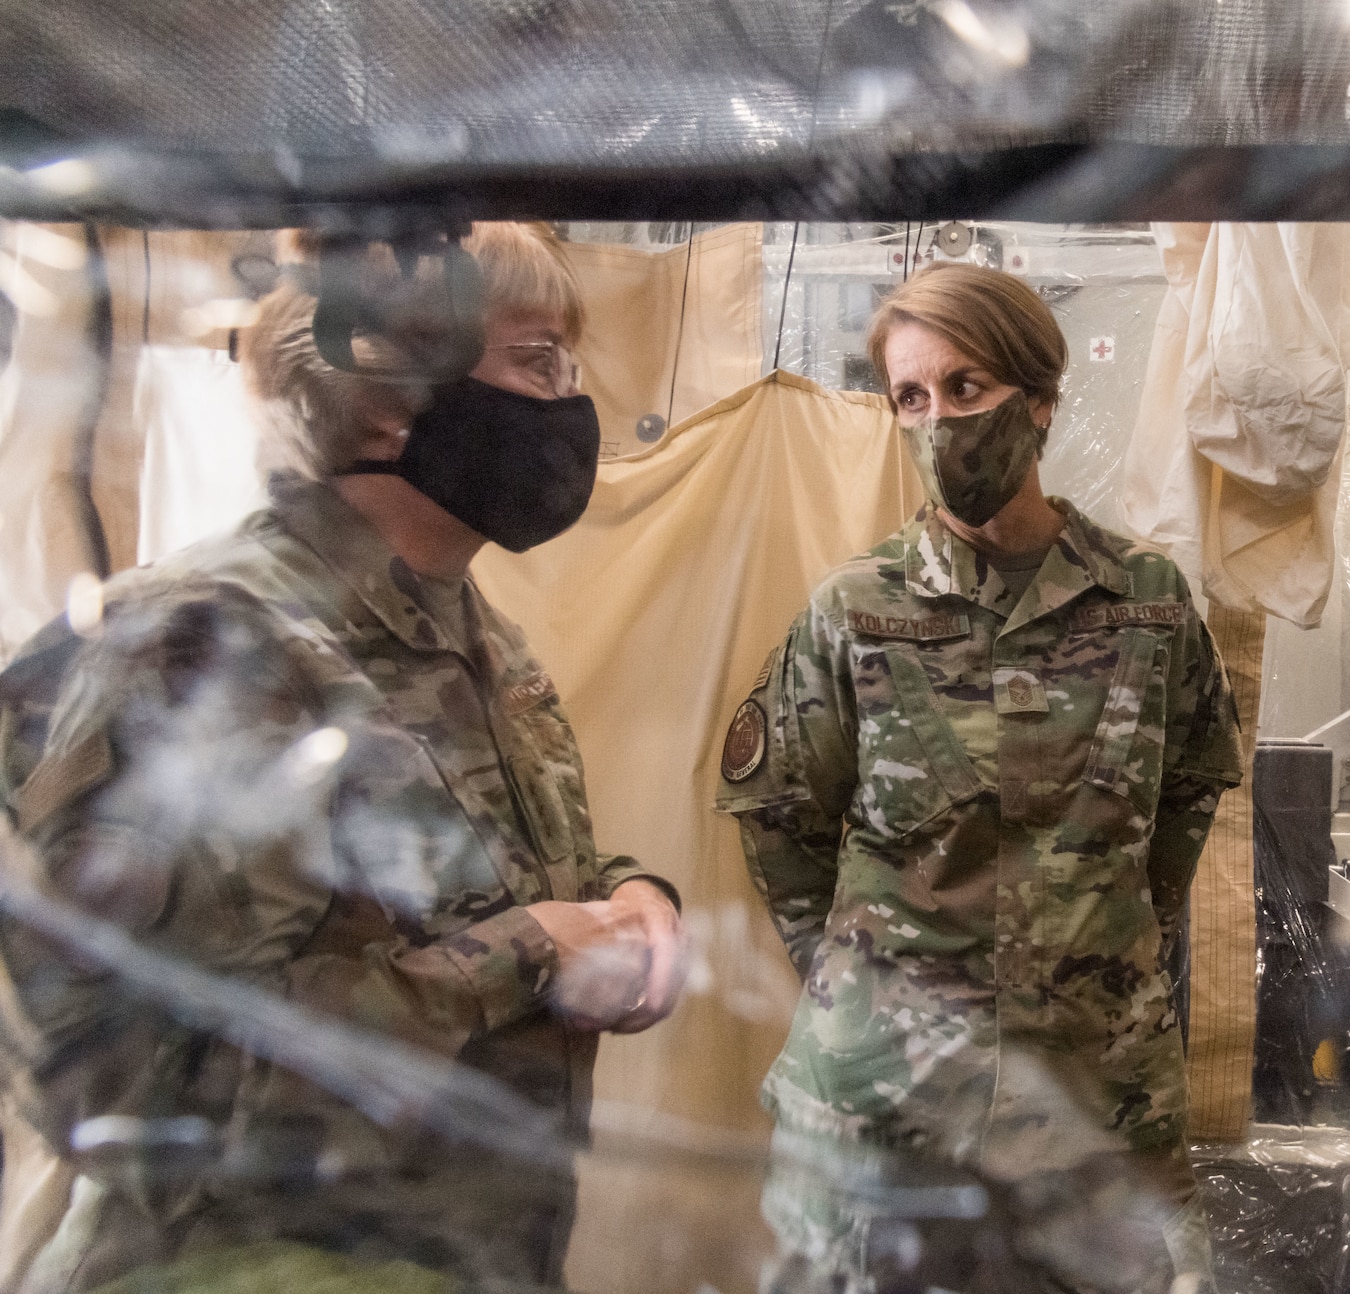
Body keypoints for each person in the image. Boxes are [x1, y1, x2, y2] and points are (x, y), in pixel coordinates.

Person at [0, 223, 684, 1291]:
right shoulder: (205, 649)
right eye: (537, 359)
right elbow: (149, 1098)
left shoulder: (465, 627)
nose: (568, 402)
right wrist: (528, 955)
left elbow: (481, 880)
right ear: (383, 388)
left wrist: (627, 899)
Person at [716, 262, 1243, 1294]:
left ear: (1040, 400)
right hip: (886, 1117)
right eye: (910, 396)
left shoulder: (1144, 603)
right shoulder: (853, 612)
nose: (938, 419)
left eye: (966, 387)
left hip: (1094, 1105)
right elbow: (782, 825)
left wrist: (1078, 949)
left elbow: (1182, 805)